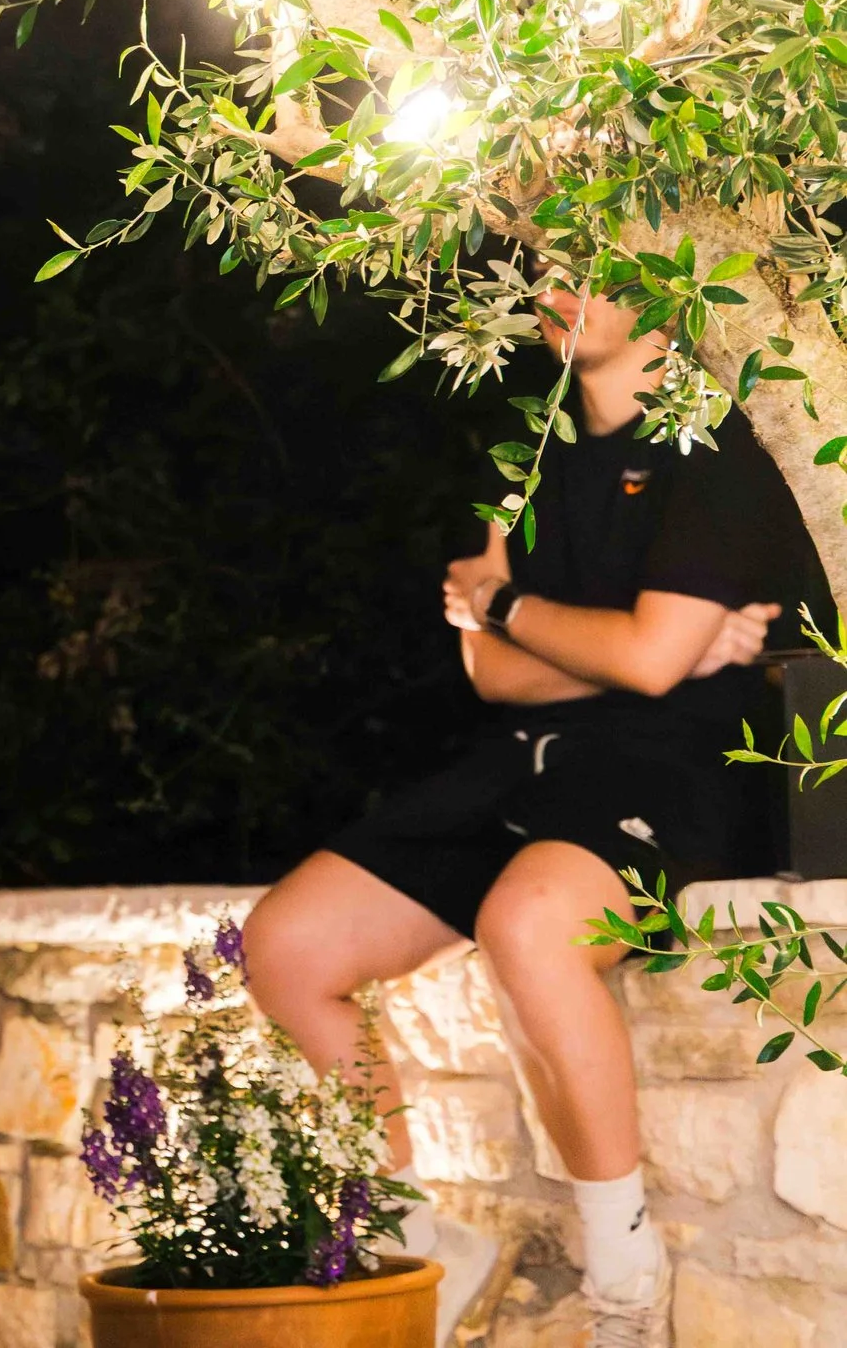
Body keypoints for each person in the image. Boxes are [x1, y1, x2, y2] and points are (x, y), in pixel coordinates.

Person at [242, 272, 823, 1348]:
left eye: (587, 269)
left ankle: (624, 1278)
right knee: (285, 941)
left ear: (663, 290)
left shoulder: (716, 448)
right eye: (542, 266)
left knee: (528, 923)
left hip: (678, 770)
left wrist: (513, 606)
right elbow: (497, 674)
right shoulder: (520, 456)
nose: (554, 288)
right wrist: (641, 649)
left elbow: (629, 662)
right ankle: (415, 1236)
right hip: (528, 762)